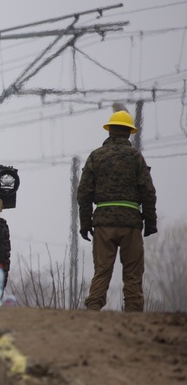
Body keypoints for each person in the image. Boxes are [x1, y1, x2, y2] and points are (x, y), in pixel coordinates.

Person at [77, 109, 158, 312]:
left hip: (103, 224)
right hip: (131, 225)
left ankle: (93, 309)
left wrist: (85, 224)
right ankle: (133, 313)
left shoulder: (96, 156)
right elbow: (148, 192)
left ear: (110, 131)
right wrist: (150, 222)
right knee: (132, 273)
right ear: (129, 132)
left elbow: (84, 193)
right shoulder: (135, 157)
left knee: (102, 270)